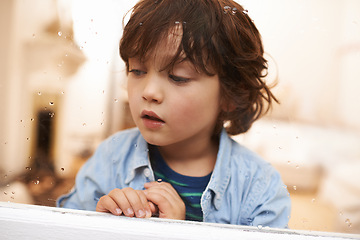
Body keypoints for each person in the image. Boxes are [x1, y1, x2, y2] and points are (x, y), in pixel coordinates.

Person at [57, 0, 291, 228]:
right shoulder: (111, 157)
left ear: (229, 95)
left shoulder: (259, 186)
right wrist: (98, 225)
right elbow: (59, 229)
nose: (149, 92)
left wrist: (179, 231)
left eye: (178, 77)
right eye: (137, 71)